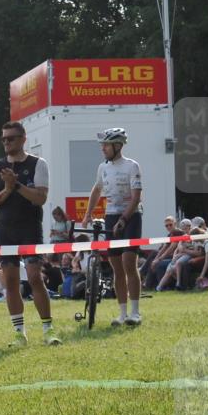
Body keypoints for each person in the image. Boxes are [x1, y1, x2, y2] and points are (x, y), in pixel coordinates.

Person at [0, 121, 61, 347]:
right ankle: (20, 332)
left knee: (35, 277)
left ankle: (48, 329)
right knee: (10, 281)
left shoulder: (38, 164)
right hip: (6, 228)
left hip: (30, 227)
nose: (6, 143)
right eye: (3, 139)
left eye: (11, 138)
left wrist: (15, 185)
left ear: (22, 139)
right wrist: (7, 189)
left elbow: (40, 198)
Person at [83, 128, 143, 326]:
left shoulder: (131, 166)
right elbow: (97, 189)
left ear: (118, 146)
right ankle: (122, 313)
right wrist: (87, 214)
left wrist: (124, 220)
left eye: (106, 145)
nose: (103, 148)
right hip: (111, 215)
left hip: (131, 216)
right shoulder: (103, 167)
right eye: (103, 145)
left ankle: (135, 313)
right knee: (116, 267)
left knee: (129, 264)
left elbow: (136, 198)